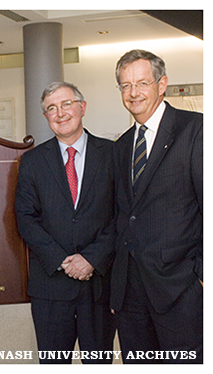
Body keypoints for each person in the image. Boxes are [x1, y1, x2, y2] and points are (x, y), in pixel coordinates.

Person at [110, 49, 202, 363]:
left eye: (141, 83)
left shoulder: (196, 130)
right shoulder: (122, 146)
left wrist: (202, 276)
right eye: (125, 85)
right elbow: (125, 214)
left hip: (181, 287)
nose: (133, 93)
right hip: (131, 293)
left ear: (162, 84)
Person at [15, 82, 116, 364]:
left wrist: (91, 259)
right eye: (51, 108)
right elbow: (25, 216)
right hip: (50, 286)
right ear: (46, 116)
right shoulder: (32, 161)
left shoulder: (113, 154)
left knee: (99, 362)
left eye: (66, 104)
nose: (60, 113)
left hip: (100, 284)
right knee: (53, 363)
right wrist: (63, 260)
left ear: (82, 107)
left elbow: (124, 214)